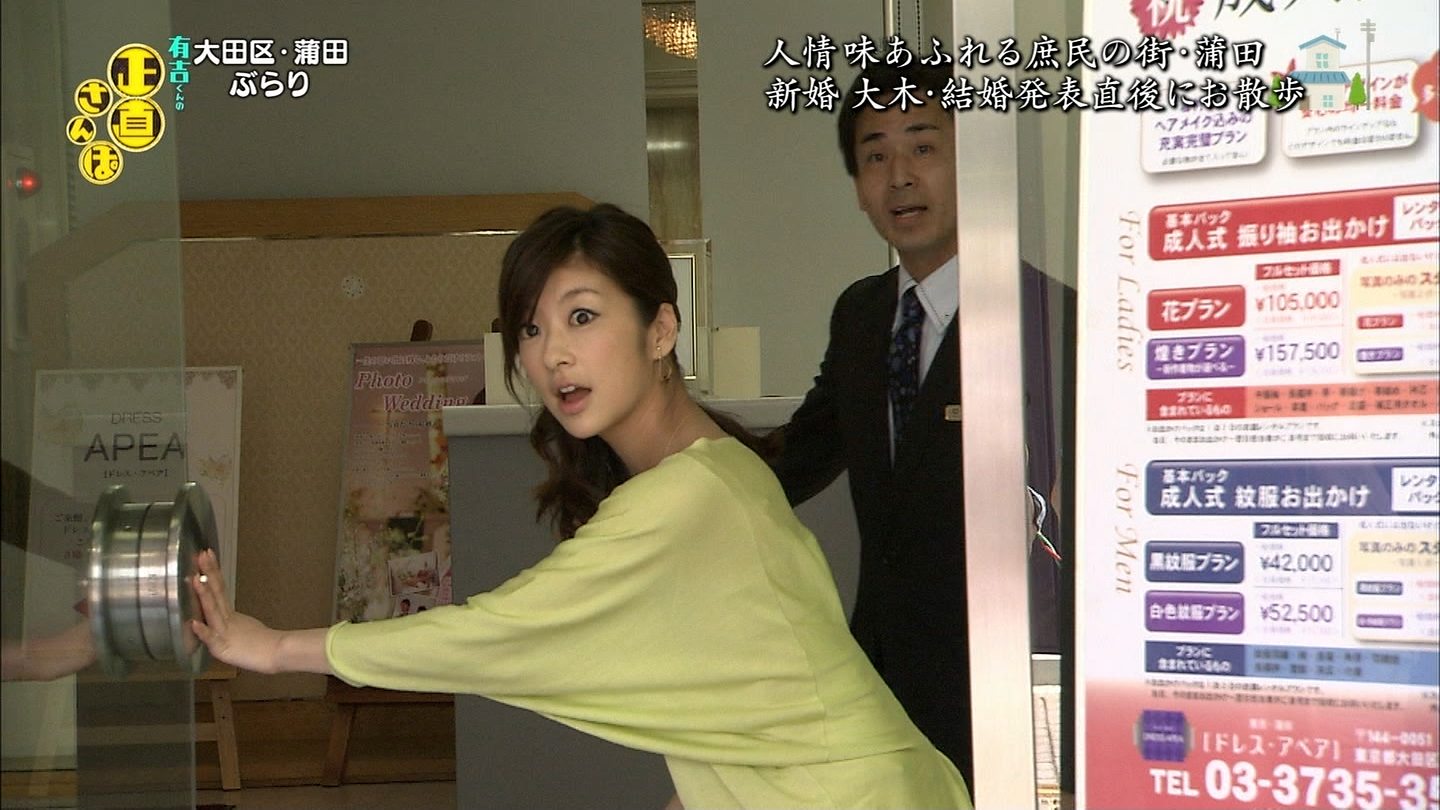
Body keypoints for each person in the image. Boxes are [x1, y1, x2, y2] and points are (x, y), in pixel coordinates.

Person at [189, 203, 972, 809]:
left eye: (583, 317)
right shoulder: (719, 468)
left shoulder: (686, 495)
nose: (553, 353)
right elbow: (751, 693)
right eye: (531, 328)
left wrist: (278, 648)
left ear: (660, 330)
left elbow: (497, 633)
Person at [767, 62, 1063, 786]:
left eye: (924, 147)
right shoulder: (862, 315)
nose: (899, 177)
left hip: (1005, 685)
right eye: (875, 156)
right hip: (881, 685)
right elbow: (794, 459)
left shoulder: (1048, 318)